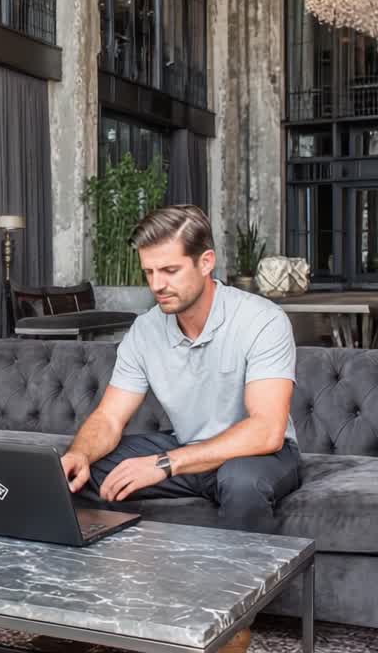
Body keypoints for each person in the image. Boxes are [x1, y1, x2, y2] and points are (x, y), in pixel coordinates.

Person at [59, 205, 300, 653]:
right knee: (75, 472)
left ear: (205, 263)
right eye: (149, 272)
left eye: (169, 270)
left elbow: (266, 430)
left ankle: (233, 623)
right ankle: (83, 606)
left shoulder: (262, 320)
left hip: (259, 454)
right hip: (188, 447)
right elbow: (110, 417)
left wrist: (165, 464)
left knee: (241, 480)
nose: (157, 285)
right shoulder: (146, 331)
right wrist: (80, 454)